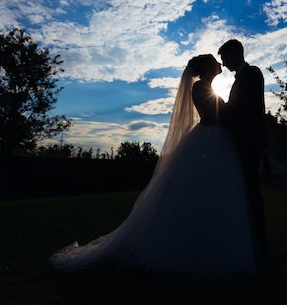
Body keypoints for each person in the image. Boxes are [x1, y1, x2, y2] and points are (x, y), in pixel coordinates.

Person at [48, 54, 257, 280]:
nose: (219, 64)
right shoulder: (199, 87)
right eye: (215, 62)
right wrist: (229, 112)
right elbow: (210, 115)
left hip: (214, 142)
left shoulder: (206, 87)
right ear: (207, 67)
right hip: (208, 141)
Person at [217, 39, 270, 268]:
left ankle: (259, 238)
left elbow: (242, 108)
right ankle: (251, 236)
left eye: (225, 57)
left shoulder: (252, 74)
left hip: (249, 141)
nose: (223, 63)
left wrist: (217, 106)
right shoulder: (240, 79)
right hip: (241, 141)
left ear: (236, 53)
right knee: (245, 189)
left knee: (251, 189)